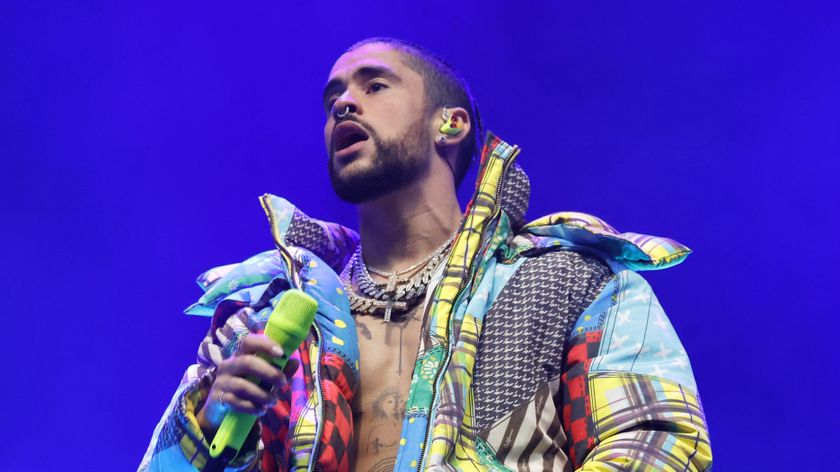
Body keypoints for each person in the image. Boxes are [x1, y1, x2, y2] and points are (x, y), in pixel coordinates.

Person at [140, 38, 712, 471]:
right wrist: (210, 422)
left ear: (451, 123)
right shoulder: (269, 314)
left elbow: (661, 440)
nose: (343, 103)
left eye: (375, 86)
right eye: (333, 96)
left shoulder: (567, 278)